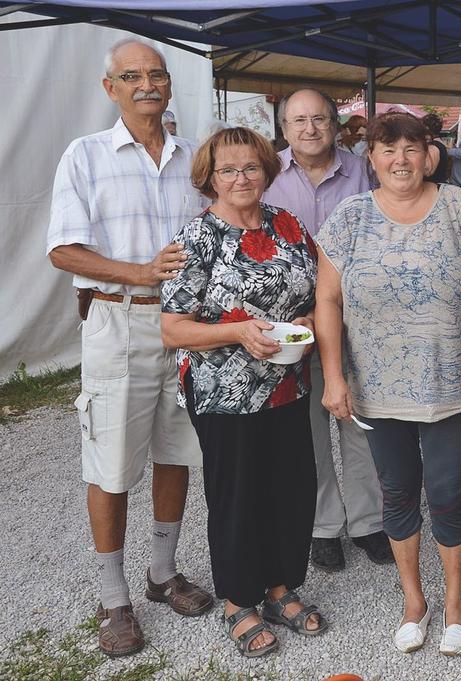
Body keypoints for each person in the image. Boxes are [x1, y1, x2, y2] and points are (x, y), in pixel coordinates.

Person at [46, 38, 213, 658]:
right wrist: (140, 272)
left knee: (178, 449)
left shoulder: (196, 157)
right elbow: (63, 250)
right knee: (111, 461)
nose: (148, 84)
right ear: (109, 87)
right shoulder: (85, 156)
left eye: (157, 75)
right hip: (118, 321)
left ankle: (163, 573)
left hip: (189, 326)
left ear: (169, 86)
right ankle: (113, 595)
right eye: (132, 76)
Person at [315, 113, 461, 656]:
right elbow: (327, 299)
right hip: (378, 387)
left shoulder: (459, 209)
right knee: (396, 494)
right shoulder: (349, 218)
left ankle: (455, 603)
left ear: (430, 154)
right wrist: (333, 376)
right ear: (369, 157)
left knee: (446, 494)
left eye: (412, 147)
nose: (400, 159)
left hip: (450, 383)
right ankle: (413, 602)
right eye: (387, 148)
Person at [161, 126, 325, 657]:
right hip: (223, 391)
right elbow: (173, 329)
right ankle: (237, 600)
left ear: (267, 171)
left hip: (288, 383)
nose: (241, 177)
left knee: (291, 487)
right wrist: (236, 331)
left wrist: (308, 318)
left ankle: (279, 587)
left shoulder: (288, 224)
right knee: (237, 495)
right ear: (209, 178)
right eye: (228, 169)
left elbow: (322, 287)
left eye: (251, 167)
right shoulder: (198, 238)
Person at [262, 88, 392, 572]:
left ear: (336, 125)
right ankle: (323, 526)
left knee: (359, 422)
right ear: (285, 128)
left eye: (319, 118)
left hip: (359, 319)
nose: (310, 128)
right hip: (292, 323)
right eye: (299, 121)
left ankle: (369, 521)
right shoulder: (267, 175)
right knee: (307, 427)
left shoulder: (364, 171)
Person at [423, 113, 449, 185]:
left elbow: (428, 171)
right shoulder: (439, 144)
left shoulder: (433, 146)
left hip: (433, 186)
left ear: (426, 128)